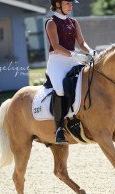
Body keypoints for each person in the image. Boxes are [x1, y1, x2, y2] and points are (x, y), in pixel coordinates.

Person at [45, 0, 96, 144]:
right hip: (57, 62)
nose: (71, 5)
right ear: (57, 4)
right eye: (68, 3)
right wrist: (75, 55)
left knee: (86, 82)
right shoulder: (51, 22)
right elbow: (56, 46)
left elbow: (81, 43)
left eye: (71, 3)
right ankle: (59, 128)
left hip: (72, 59)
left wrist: (91, 51)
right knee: (61, 89)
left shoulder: (73, 22)